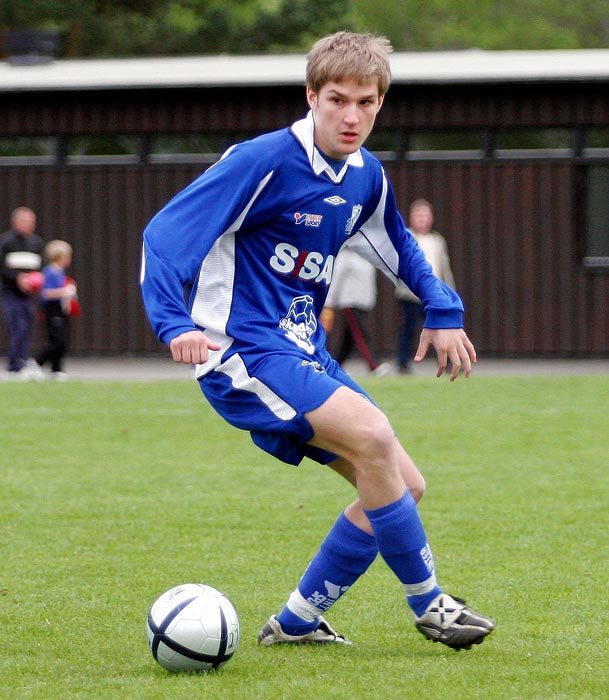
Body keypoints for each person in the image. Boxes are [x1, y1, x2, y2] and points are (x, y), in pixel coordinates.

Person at [141, 31, 494, 652]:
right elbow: (164, 236)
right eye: (337, 100)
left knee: (401, 484)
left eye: (366, 101)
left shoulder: (366, 176)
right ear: (311, 96)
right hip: (244, 353)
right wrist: (175, 322)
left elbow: (398, 248)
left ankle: (297, 622)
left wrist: (444, 307)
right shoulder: (263, 161)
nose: (351, 115)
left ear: (381, 103)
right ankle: (430, 603)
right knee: (374, 438)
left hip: (304, 351)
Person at [395, 199, 456, 374]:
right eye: (418, 216)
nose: (422, 219)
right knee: (409, 329)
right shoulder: (407, 237)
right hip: (411, 294)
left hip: (434, 293)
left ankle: (448, 362)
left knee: (441, 327)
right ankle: (403, 362)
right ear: (412, 218)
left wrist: (449, 290)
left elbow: (444, 267)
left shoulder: (437, 240)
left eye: (425, 216)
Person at [320, 247, 390, 375]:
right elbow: (335, 280)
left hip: (362, 302)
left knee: (349, 339)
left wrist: (370, 300)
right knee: (361, 333)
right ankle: (374, 364)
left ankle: (334, 364)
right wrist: (328, 302)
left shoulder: (367, 257)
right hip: (349, 301)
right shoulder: (345, 257)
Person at [0, 206, 45, 377]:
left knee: (27, 325)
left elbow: (39, 267)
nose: (29, 225)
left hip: (28, 294)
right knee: (16, 326)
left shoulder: (36, 243)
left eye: (31, 222)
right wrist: (18, 278)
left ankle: (23, 360)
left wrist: (34, 280)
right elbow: (2, 267)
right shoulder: (6, 241)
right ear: (15, 222)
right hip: (11, 292)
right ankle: (15, 364)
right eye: (25, 221)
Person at [35, 239, 78, 380]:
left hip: (60, 310)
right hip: (52, 310)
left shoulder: (60, 272)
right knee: (57, 340)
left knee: (63, 340)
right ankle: (36, 362)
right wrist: (64, 291)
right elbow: (46, 293)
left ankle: (56, 369)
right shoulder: (50, 272)